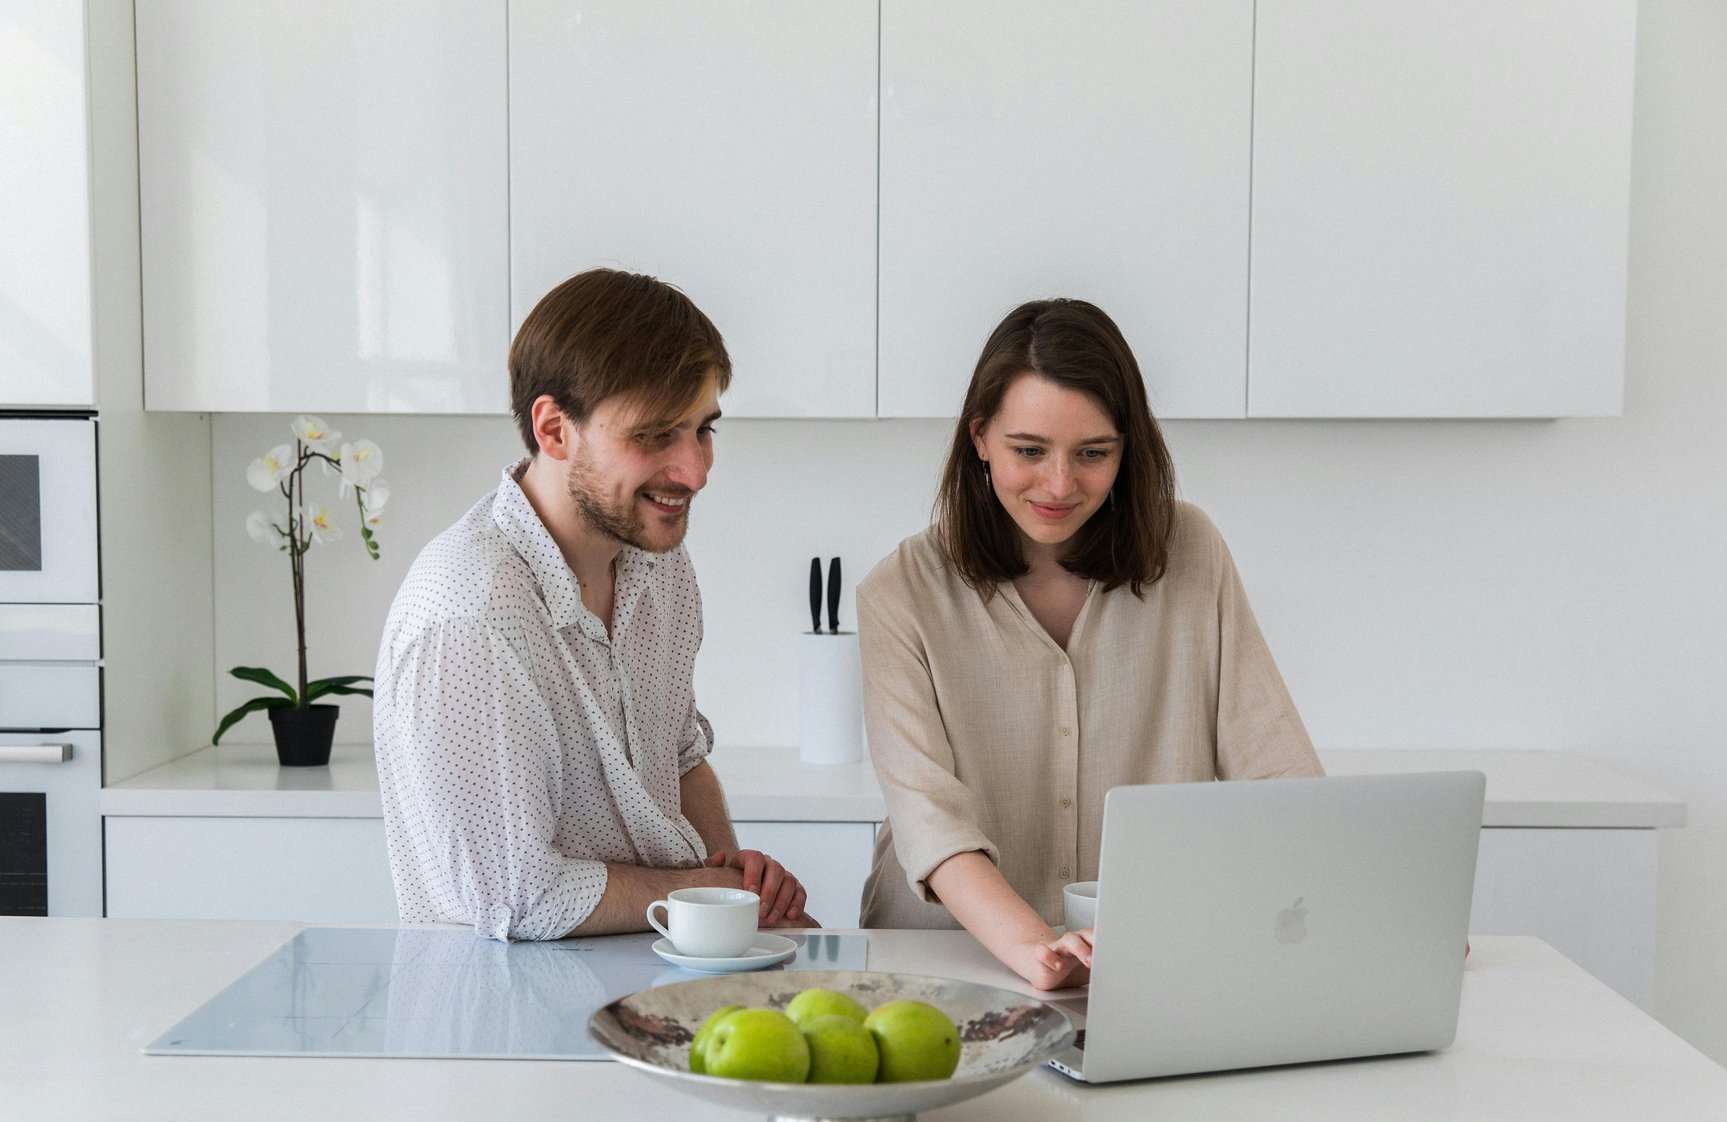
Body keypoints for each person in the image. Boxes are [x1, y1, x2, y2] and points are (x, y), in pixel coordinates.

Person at [857, 298, 1321, 989]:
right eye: (1029, 451)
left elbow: (1279, 777)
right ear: (980, 437)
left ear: (1128, 447)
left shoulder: (1191, 552)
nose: (1059, 485)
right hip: (942, 963)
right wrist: (1040, 954)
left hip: (1142, 961)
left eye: (1093, 454)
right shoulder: (900, 591)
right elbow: (932, 827)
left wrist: (1372, 906)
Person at [374, 268, 813, 941]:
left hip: (654, 973)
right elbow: (520, 900)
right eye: (655, 435)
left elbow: (681, 755)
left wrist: (738, 893)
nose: (694, 471)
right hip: (509, 1012)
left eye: (703, 430)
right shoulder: (470, 614)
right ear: (554, 429)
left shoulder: (656, 564)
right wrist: (708, 891)